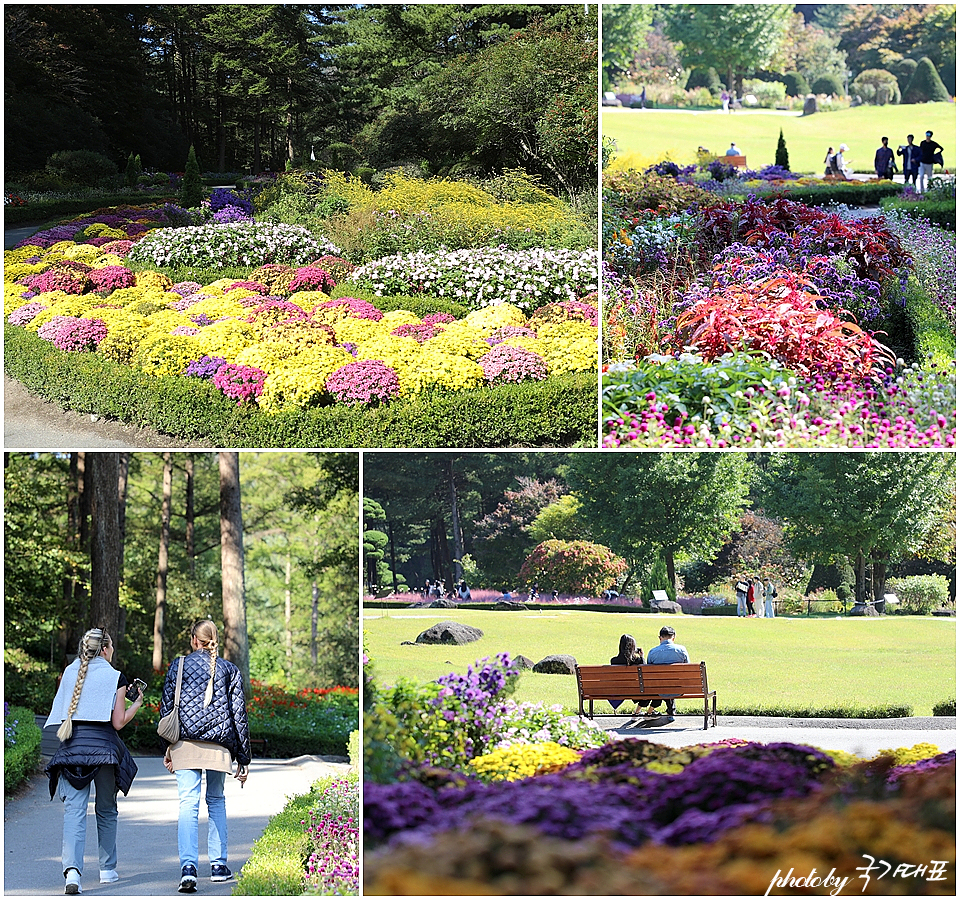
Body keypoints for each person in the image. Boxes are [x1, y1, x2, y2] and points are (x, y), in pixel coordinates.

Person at [45, 628, 142, 895]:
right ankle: (107, 870)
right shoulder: (115, 677)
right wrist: (137, 703)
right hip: (104, 751)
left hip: (72, 748)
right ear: (105, 650)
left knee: (74, 811)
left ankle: (72, 873)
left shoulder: (68, 673)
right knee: (107, 809)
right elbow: (118, 723)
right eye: (111, 648)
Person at [160, 620, 251, 893]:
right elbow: (239, 717)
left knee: (188, 803)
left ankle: (188, 868)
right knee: (216, 801)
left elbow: (167, 709)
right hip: (219, 749)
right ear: (214, 640)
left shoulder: (179, 665)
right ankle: (219, 866)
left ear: (193, 640)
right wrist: (243, 758)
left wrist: (168, 747)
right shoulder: (229, 670)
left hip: (185, 744)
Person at [644, 626, 691, 723]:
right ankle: (671, 712)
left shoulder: (653, 652)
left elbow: (649, 673)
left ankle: (669, 711)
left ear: (660, 638)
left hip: (658, 688)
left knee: (663, 682)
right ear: (673, 637)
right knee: (672, 682)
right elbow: (688, 669)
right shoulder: (681, 650)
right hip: (678, 688)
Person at [608, 634, 644, 714]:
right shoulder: (637, 661)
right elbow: (644, 673)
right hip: (636, 690)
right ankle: (639, 712)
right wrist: (642, 657)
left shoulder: (614, 661)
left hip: (621, 689)